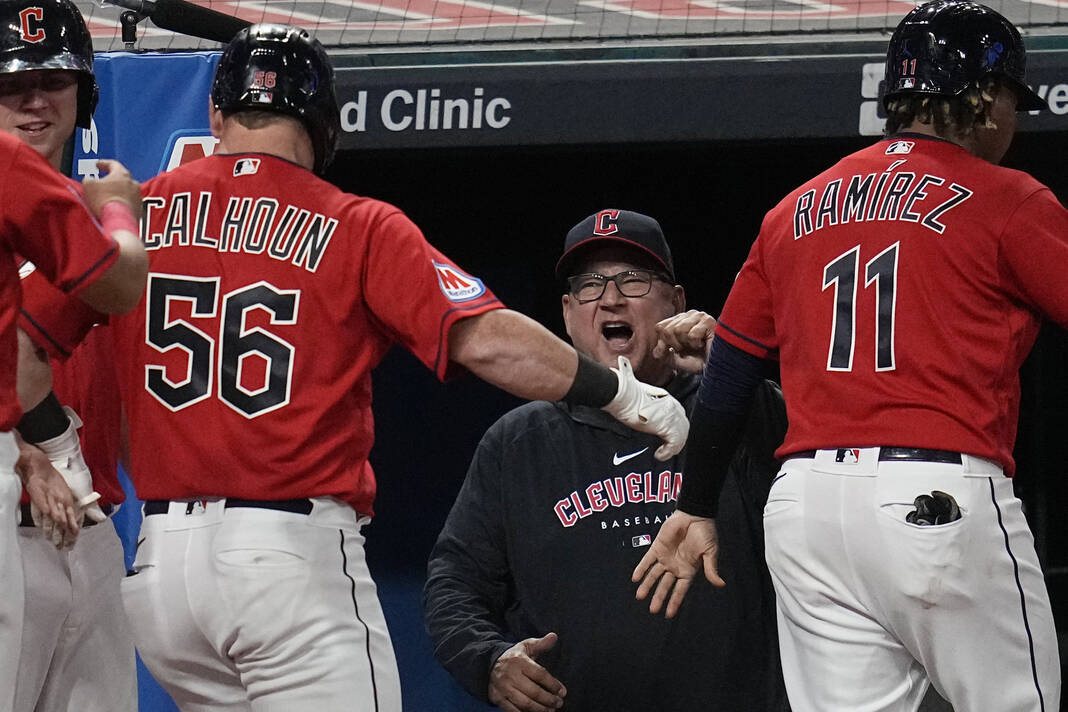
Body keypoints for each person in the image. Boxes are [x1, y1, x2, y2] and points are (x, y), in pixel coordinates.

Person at [99, 25, 687, 712]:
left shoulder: (131, 214)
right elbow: (488, 340)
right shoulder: (355, 221)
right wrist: (620, 393)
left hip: (161, 570)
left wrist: (52, 446)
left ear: (218, 116)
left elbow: (40, 349)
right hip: (285, 563)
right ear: (324, 123)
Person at [633, 2, 1064, 710]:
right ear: (983, 99)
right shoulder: (1006, 198)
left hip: (807, 511)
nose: (1015, 119)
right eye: (1012, 99)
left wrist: (698, 502)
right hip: (938, 499)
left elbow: (732, 372)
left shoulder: (792, 208)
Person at [423, 209, 790, 712]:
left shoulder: (742, 417)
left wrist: (729, 370)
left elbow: (824, 521)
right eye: (590, 285)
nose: (610, 298)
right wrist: (488, 659)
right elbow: (455, 581)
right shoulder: (519, 442)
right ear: (568, 313)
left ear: (676, 302)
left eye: (633, 280)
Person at [0, 0, 140, 708]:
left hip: (92, 528)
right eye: (9, 84)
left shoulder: (100, 215)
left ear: (82, 95)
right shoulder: (118, 220)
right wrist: (38, 451)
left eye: (53, 80)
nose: (33, 98)